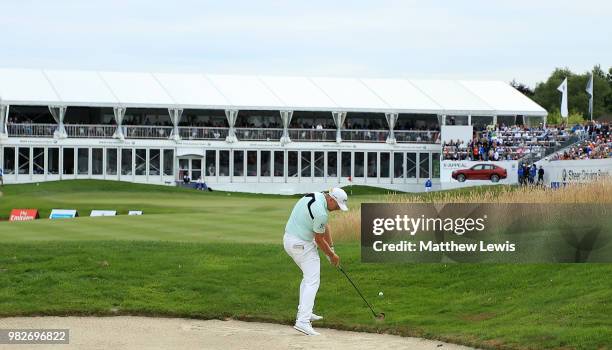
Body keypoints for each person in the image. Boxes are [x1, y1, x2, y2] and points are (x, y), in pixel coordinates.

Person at [283, 188, 348, 336]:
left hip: (290, 239)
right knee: (313, 280)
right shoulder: (321, 212)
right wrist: (332, 256)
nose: (337, 209)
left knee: (308, 278)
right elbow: (319, 240)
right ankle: (303, 322)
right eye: (337, 206)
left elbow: (325, 227)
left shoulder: (317, 196)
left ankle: (304, 312)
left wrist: (331, 248)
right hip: (300, 244)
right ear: (331, 199)